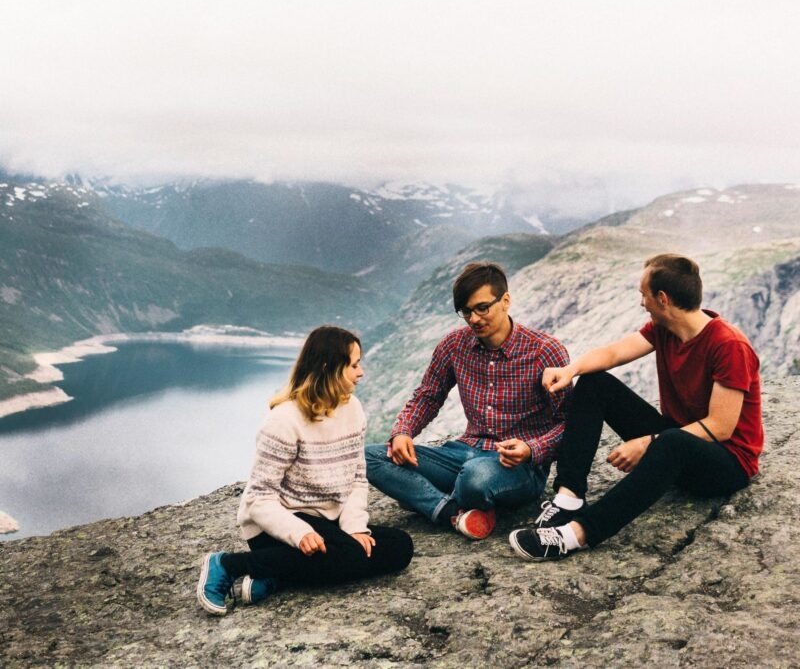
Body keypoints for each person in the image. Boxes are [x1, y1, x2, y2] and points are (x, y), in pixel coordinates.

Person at [509, 253, 763, 561]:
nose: (642, 302)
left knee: (671, 442)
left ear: (663, 298)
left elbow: (721, 427)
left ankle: (576, 535)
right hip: (675, 443)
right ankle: (569, 498)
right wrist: (572, 370)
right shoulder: (664, 330)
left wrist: (649, 443)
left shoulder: (728, 346)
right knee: (594, 382)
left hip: (726, 464)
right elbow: (615, 353)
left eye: (644, 295)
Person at [197, 325, 413, 615]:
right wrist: (298, 533)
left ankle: (277, 575)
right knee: (347, 556)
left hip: (330, 521)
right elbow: (258, 499)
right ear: (328, 368)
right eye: (353, 365)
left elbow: (357, 479)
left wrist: (355, 527)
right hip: (277, 525)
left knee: (400, 547)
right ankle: (228, 564)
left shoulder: (353, 409)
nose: (361, 372)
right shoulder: (284, 420)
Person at [366, 262, 572, 540]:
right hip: (461, 453)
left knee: (477, 478)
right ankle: (451, 510)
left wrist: (531, 449)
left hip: (518, 466)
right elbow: (428, 395)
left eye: (482, 308)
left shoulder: (545, 351)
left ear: (506, 301)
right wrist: (403, 431)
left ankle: (425, 496)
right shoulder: (454, 345)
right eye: (466, 311)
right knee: (371, 457)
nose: (474, 318)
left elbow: (569, 422)